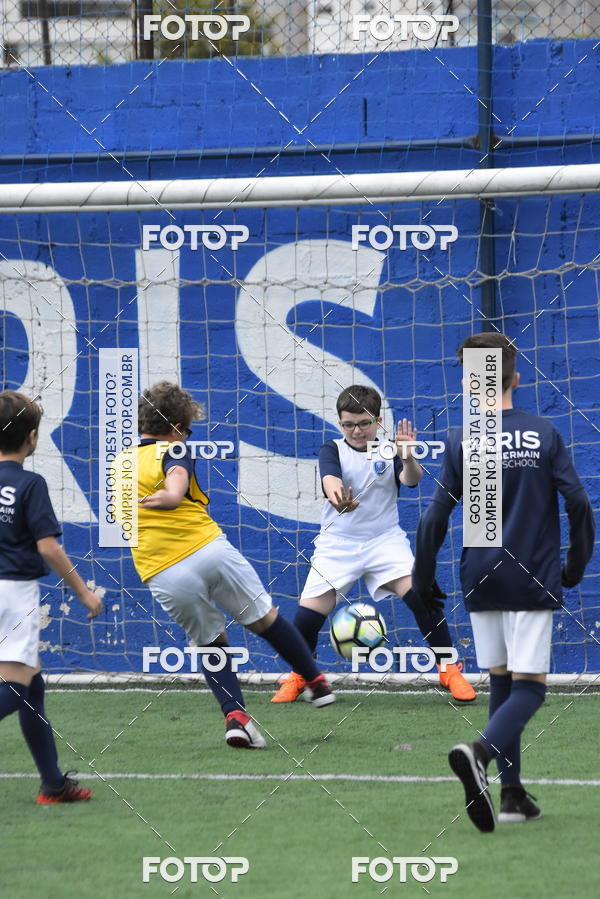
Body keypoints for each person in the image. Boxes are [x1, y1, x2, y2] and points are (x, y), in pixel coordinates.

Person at [413, 332, 595, 832]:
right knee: (531, 689)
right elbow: (578, 503)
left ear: (472, 384)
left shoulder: (461, 438)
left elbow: (433, 520)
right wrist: (575, 567)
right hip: (530, 576)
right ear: (516, 377)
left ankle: (512, 794)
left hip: (480, 576)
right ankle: (478, 752)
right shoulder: (543, 433)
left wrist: (423, 580)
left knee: (501, 679)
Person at [118, 381, 335, 751]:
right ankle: (315, 680)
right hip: (206, 550)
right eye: (186, 429)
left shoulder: (120, 462)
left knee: (210, 643)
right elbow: (176, 476)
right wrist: (172, 494)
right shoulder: (174, 448)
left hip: (162, 571)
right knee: (264, 619)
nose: (185, 436)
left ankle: (236, 718)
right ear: (175, 427)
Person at [271, 384, 476, 704]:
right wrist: (339, 499)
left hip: (385, 542)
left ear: (378, 421)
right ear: (340, 424)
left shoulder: (389, 450)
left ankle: (449, 669)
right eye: (348, 424)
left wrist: (407, 458)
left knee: (424, 599)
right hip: (338, 544)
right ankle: (301, 675)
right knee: (306, 618)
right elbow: (331, 482)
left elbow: (411, 480)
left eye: (364, 423)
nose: (356, 430)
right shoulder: (332, 449)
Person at [0, 390, 102, 803]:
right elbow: (48, 547)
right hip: (13, 593)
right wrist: (83, 593)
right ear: (34, 437)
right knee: (17, 685)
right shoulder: (30, 483)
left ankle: (53, 784)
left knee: (32, 684)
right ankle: (53, 784)